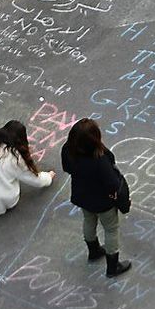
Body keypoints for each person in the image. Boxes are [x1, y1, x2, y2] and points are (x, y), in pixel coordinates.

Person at [61, 119, 131, 278]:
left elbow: (67, 168)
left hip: (82, 196)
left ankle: (93, 251)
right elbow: (113, 183)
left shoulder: (68, 150)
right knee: (111, 229)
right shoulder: (99, 159)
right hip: (103, 201)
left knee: (88, 220)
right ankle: (113, 266)